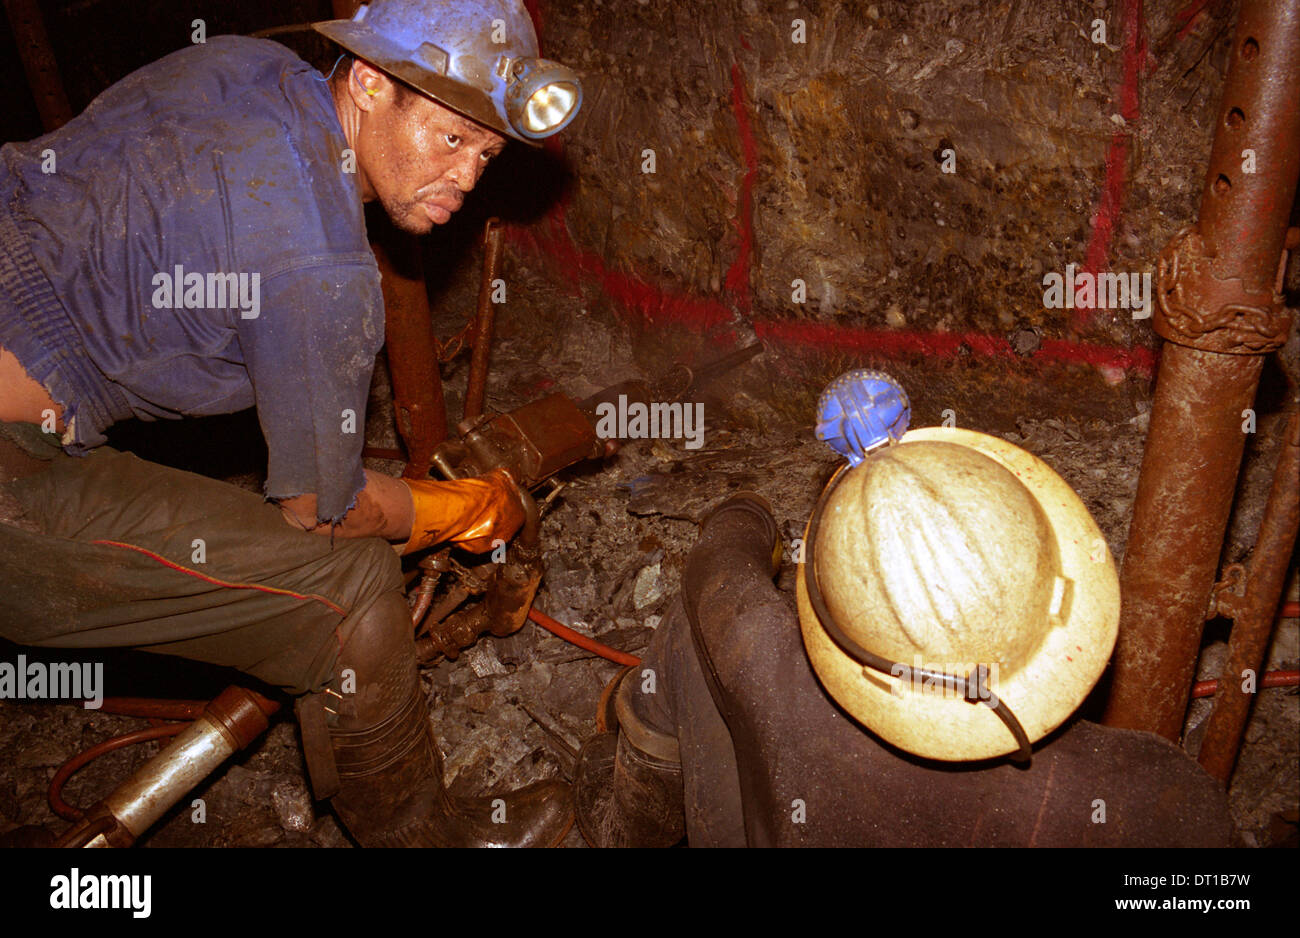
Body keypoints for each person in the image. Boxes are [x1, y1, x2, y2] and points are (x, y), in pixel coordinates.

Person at [0, 0, 581, 847]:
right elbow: (324, 514)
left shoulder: (244, 67)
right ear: (371, 84)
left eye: (486, 154)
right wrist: (463, 508)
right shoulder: (324, 273)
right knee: (350, 588)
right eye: (451, 138)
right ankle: (426, 834)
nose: (465, 176)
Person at [574, 420, 1235, 847]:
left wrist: (746, 514)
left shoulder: (759, 655)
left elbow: (718, 570)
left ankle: (627, 824)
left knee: (691, 642)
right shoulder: (1155, 796)